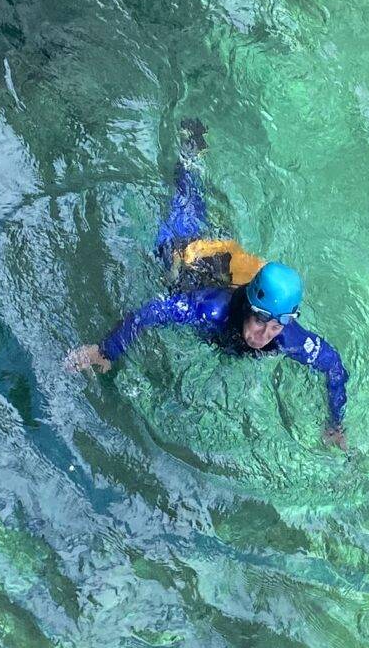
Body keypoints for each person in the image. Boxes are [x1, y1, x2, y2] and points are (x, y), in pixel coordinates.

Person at [66, 148, 349, 447]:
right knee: (184, 209)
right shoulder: (211, 309)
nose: (263, 335)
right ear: (248, 308)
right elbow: (149, 313)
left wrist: (335, 423)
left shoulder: (287, 334)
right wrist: (106, 351)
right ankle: (190, 153)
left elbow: (334, 366)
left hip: (231, 266)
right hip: (192, 259)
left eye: (275, 327)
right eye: (259, 320)